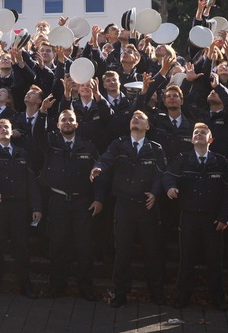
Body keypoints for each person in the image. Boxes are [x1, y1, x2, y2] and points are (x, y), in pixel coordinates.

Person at [90, 110, 167, 307]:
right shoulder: (119, 144)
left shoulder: (155, 148)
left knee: (152, 252)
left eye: (140, 118)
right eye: (133, 117)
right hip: (124, 205)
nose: (135, 119)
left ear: (147, 126)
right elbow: (106, 158)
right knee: (122, 252)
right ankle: (120, 293)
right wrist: (98, 167)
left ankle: (157, 294)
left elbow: (161, 173)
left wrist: (155, 192)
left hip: (147, 207)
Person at [164, 123, 228, 310]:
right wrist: (170, 187)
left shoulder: (220, 162)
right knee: (186, 259)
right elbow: (168, 175)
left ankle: (218, 299)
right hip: (189, 217)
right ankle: (181, 298)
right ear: (191, 139)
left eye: (203, 133)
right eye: (196, 132)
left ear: (210, 139)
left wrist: (224, 216)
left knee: (214, 261)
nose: (199, 135)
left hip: (213, 219)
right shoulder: (182, 159)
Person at [37, 106, 101, 301]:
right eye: (63, 120)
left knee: (84, 246)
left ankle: (86, 288)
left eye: (70, 120)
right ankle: (56, 287)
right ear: (57, 124)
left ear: (76, 124)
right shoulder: (51, 142)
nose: (67, 123)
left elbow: (99, 173)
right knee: (57, 245)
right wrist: (42, 113)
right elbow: (37, 133)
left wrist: (99, 198)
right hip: (57, 201)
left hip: (82, 202)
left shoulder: (88, 146)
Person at [0, 118, 41, 298]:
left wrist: (36, 206)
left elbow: (31, 182)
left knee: (21, 247)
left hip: (19, 207)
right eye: (0, 127)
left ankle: (26, 287)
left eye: (7, 127)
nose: (3, 130)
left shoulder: (22, 153)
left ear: (12, 132)